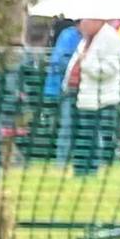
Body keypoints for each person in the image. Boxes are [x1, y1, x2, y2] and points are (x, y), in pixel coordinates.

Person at [68, 15, 120, 176]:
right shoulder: (86, 40)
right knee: (84, 135)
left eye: (85, 20)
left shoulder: (110, 38)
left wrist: (85, 64)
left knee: (97, 136)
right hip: (85, 97)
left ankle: (92, 170)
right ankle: (81, 169)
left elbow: (110, 69)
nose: (82, 24)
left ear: (96, 20)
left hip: (104, 98)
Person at [43, 19, 83, 164]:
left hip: (82, 89)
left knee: (82, 127)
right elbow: (59, 61)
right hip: (65, 89)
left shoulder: (90, 38)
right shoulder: (69, 36)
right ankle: (61, 162)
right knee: (66, 126)